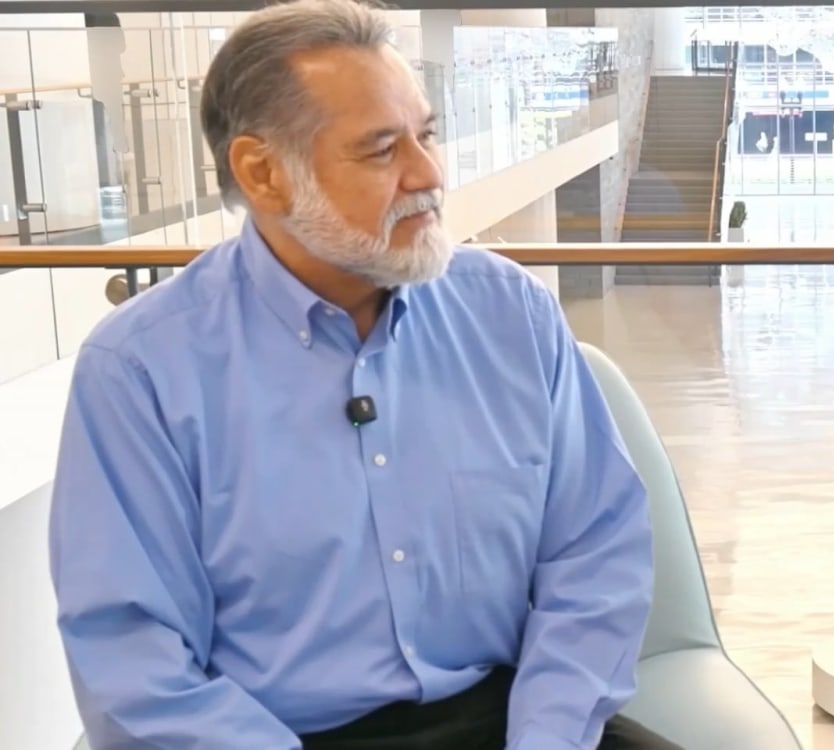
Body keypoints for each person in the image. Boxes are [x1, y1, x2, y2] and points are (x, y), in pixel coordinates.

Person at [47, 1, 678, 748]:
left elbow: (596, 553)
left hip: (515, 719)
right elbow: (134, 664)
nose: (429, 173)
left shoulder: (512, 312)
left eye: (427, 134)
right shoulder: (140, 372)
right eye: (382, 151)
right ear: (263, 173)